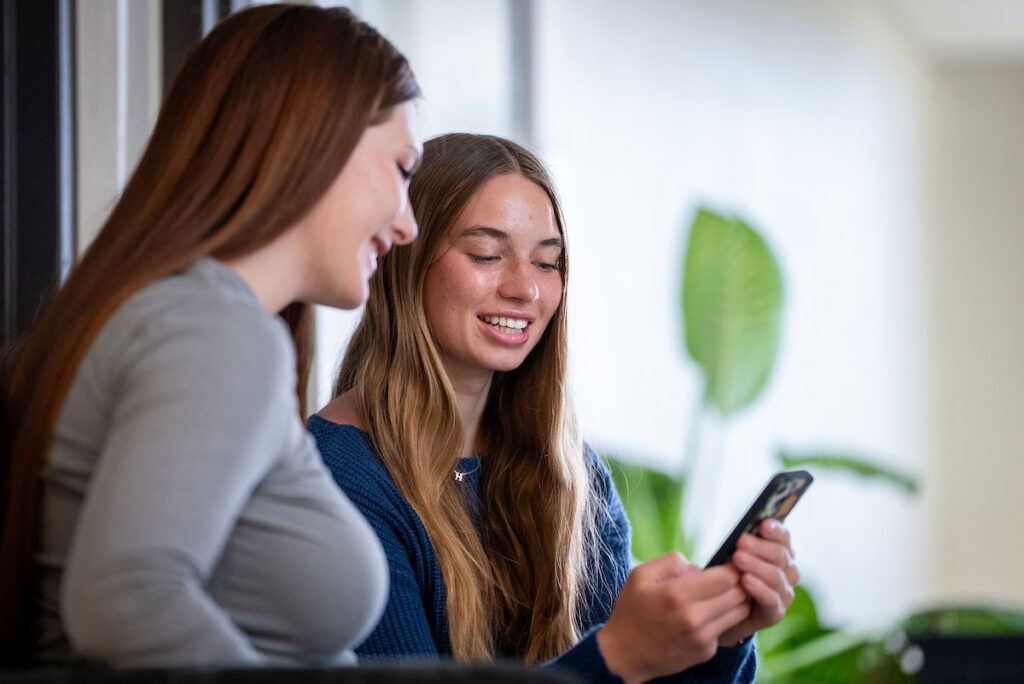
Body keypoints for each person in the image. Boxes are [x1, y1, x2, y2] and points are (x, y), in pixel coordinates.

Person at [0, 4, 422, 668]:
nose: (408, 225)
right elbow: (125, 602)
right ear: (313, 137)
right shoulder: (216, 331)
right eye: (402, 169)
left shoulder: (181, 318)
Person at [312, 133, 800, 683]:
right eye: (487, 255)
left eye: (547, 262)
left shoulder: (571, 474)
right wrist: (618, 655)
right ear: (402, 256)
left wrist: (717, 638)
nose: (526, 289)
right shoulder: (336, 478)